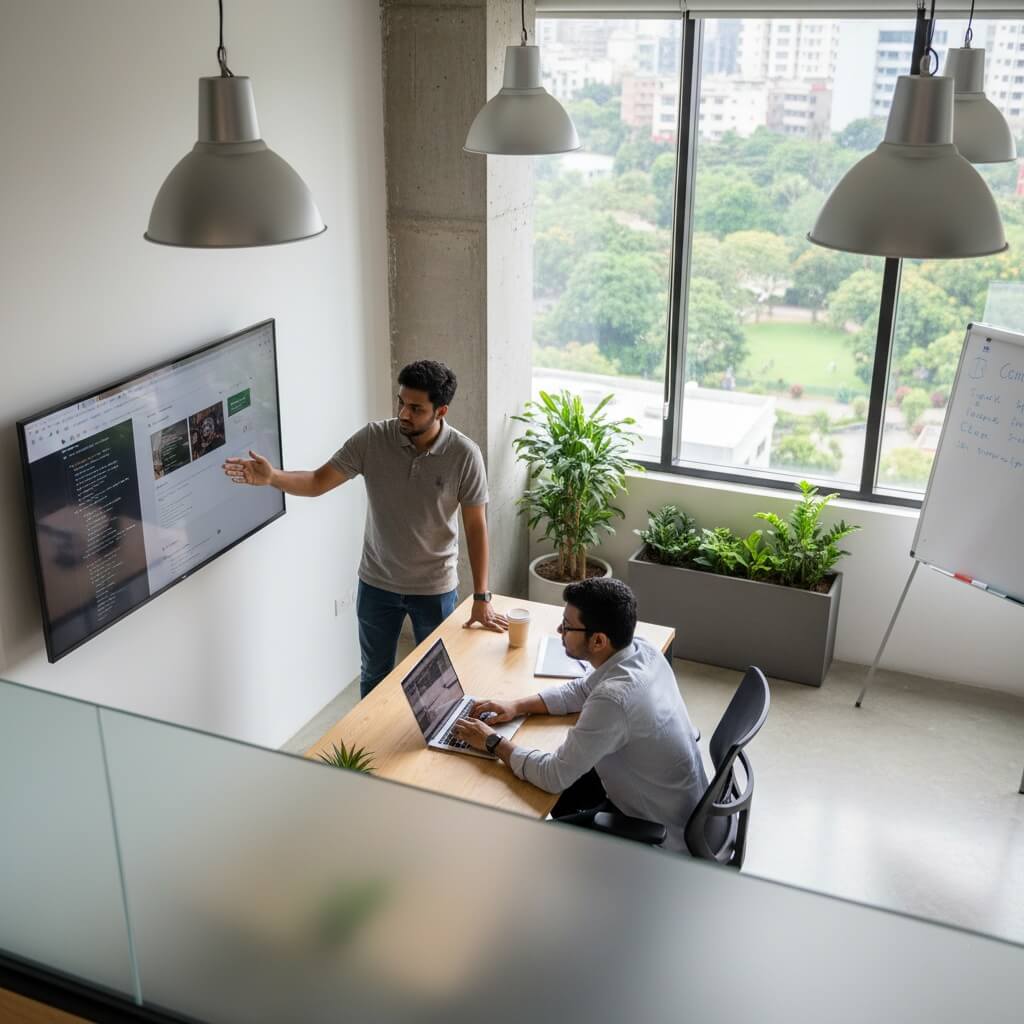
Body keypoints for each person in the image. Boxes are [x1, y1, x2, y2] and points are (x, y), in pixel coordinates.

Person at [223, 359, 507, 696]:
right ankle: (371, 749)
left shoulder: (464, 455)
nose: (403, 413)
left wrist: (481, 596)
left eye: (416, 408)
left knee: (439, 682)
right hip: (377, 584)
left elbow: (476, 528)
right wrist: (273, 477)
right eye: (401, 402)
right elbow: (316, 481)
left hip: (435, 587)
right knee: (374, 675)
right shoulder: (373, 439)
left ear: (441, 410)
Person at [453, 577, 706, 853]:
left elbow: (553, 776)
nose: (560, 629)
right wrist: (516, 705)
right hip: (680, 806)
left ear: (598, 640)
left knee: (519, 842)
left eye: (568, 626)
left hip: (656, 831)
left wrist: (492, 742)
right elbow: (581, 690)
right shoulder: (642, 650)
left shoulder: (614, 700)